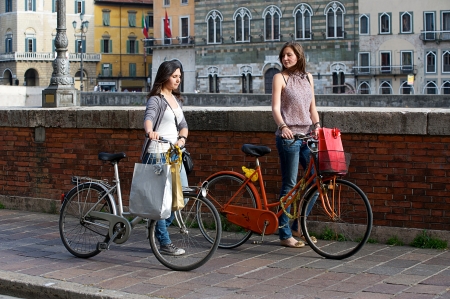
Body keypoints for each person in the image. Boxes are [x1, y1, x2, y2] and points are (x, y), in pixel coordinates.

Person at [271, 42, 320, 248]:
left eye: (289, 55)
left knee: (317, 180)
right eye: (283, 56)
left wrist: (317, 125)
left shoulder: (308, 77)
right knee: (290, 184)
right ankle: (284, 233)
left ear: (298, 56)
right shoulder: (280, 78)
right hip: (289, 137)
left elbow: (313, 108)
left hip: (307, 136)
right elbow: (274, 108)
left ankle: (299, 225)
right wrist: (283, 127)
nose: (285, 59)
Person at [141, 60, 188, 256]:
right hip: (157, 153)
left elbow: (183, 124)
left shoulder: (175, 99)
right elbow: (149, 117)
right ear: (164, 76)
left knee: (182, 194)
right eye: (174, 76)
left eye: (179, 76)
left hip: (174, 153)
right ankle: (164, 241)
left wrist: (182, 138)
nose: (178, 80)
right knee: (161, 201)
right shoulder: (156, 99)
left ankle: (155, 227)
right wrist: (150, 131)